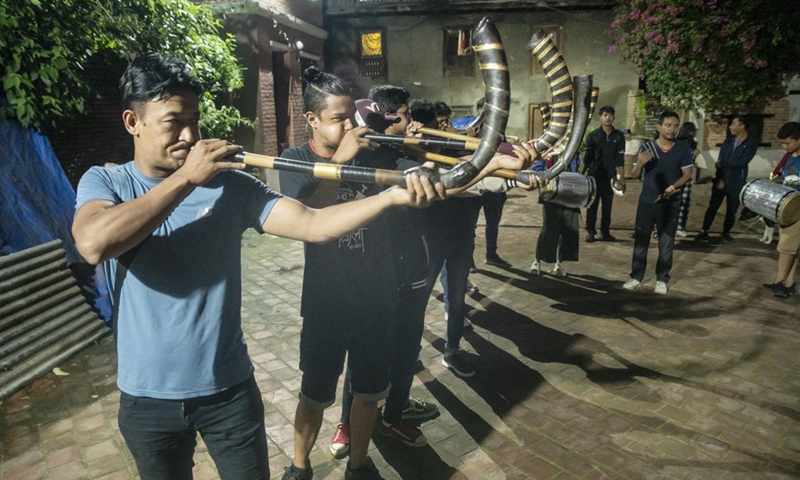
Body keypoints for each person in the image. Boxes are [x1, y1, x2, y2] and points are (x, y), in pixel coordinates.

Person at [71, 54, 442, 480]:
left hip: (229, 392)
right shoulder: (109, 182)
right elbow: (94, 243)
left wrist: (389, 198)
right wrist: (186, 179)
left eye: (195, 120)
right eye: (174, 122)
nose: (191, 135)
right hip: (146, 399)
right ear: (132, 122)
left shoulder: (231, 186)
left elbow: (314, 222)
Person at [329, 87, 440, 457]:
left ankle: (393, 414)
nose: (410, 124)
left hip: (411, 273)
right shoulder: (363, 161)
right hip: (374, 277)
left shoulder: (403, 156)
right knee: (364, 351)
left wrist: (495, 160)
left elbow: (443, 175)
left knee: (407, 348)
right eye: (404, 117)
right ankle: (347, 421)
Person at [622, 110, 694, 295]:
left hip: (671, 202)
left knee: (666, 241)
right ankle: (636, 277)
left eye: (675, 126)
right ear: (659, 127)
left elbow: (687, 174)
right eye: (668, 125)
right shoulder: (647, 148)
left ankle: (662, 279)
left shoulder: (683, 149)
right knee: (641, 240)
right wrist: (640, 163)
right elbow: (634, 175)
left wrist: (672, 187)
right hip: (647, 200)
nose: (672, 129)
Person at [695, 115, 759, 243]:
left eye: (733, 124)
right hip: (721, 180)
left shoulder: (751, 143)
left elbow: (742, 163)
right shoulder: (728, 141)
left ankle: (725, 233)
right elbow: (719, 161)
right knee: (712, 207)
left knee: (732, 210)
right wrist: (719, 178)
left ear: (742, 126)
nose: (730, 127)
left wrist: (723, 164)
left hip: (736, 182)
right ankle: (704, 231)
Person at [763, 121, 800, 298]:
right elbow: (780, 176)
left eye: (788, 143)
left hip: (798, 209)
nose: (785, 147)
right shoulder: (789, 156)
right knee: (791, 249)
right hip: (787, 208)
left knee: (785, 246)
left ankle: (779, 282)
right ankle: (789, 283)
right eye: (783, 143)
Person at [529, 155, 581, 277]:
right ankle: (537, 261)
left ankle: (560, 263)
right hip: (551, 192)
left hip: (570, 192)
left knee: (569, 228)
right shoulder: (549, 149)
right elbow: (537, 167)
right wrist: (544, 177)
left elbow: (576, 166)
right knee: (549, 228)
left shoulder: (573, 148)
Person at [582, 106, 626, 243]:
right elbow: (587, 158)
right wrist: (582, 175)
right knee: (592, 205)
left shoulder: (619, 136)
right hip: (594, 176)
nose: (608, 117)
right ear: (600, 117)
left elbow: (620, 159)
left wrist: (621, 178)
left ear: (614, 117)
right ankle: (590, 231)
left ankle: (605, 232)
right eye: (605, 115)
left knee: (607, 206)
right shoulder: (593, 136)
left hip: (610, 177)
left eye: (610, 115)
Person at [675, 122, 701, 237]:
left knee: (685, 201)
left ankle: (680, 226)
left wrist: (694, 155)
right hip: (677, 175)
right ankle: (672, 225)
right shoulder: (678, 143)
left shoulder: (693, 144)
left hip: (687, 175)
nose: (695, 132)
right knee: (675, 200)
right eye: (693, 130)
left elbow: (689, 161)